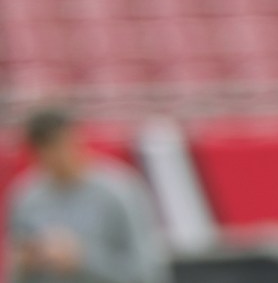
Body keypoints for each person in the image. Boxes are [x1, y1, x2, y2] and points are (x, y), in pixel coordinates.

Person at [5, 107, 171, 283]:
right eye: (43, 149)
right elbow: (15, 274)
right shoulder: (25, 199)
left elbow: (149, 272)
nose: (53, 156)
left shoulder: (119, 191)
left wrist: (83, 259)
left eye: (57, 144)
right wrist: (25, 264)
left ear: (75, 138)